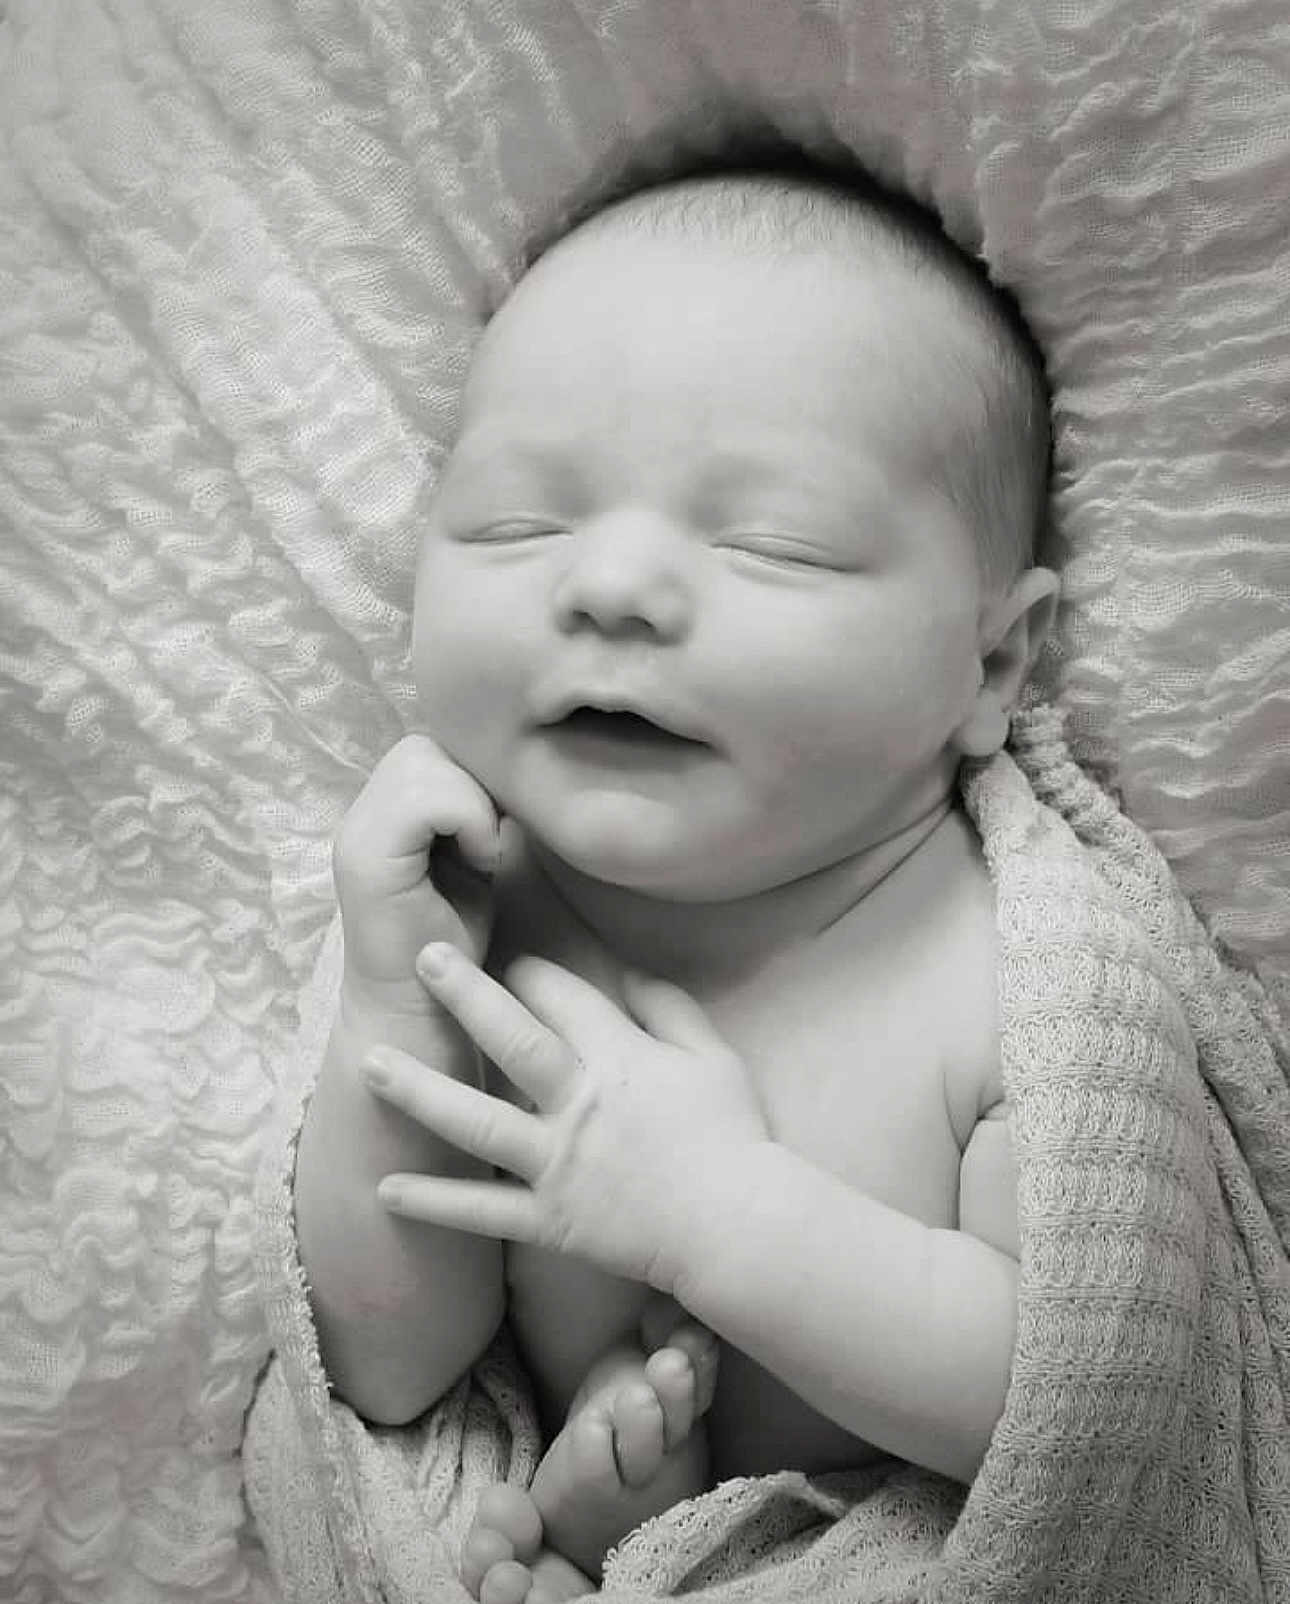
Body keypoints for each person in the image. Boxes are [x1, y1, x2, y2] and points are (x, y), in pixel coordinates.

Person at [291, 165, 1061, 1604]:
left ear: (992, 663)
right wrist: (390, 1008)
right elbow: (390, 1375)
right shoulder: (474, 923)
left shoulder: (1006, 971)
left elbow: (1073, 1420)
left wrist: (716, 1213)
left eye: (771, 541)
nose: (614, 584)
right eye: (521, 523)